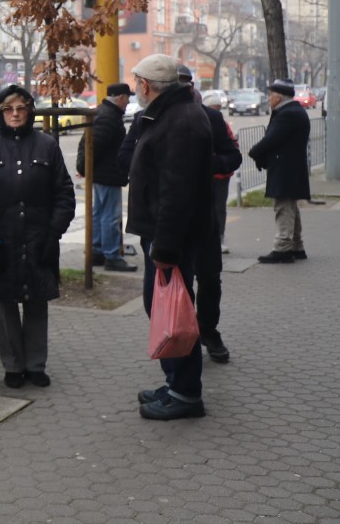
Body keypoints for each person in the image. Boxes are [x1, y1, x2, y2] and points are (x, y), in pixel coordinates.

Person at [126, 54, 216, 421]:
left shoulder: (179, 121)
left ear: (146, 85)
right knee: (164, 308)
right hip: (169, 235)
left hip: (171, 239)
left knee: (172, 313)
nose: (135, 89)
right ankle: (176, 382)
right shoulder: (174, 113)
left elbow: (175, 194)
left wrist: (164, 248)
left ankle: (185, 393)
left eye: (136, 83)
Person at [0, 84, 75, 389]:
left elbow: (65, 194)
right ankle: (13, 366)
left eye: (20, 108)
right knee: (5, 304)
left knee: (37, 302)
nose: (14, 114)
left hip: (39, 237)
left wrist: (52, 232)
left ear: (30, 111)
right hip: (1, 241)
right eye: (7, 109)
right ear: (0, 113)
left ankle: (36, 364)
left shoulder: (47, 145)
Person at [196, 91, 241, 363]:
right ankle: (180, 336)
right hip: (167, 219)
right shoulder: (150, 118)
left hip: (204, 218)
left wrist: (208, 165)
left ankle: (208, 331)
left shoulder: (211, 118)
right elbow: (129, 157)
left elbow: (232, 155)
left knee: (210, 279)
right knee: (170, 286)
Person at [248, 79, 311, 263]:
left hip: (286, 169)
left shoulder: (288, 114)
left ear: (279, 96)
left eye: (271, 95)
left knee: (283, 207)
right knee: (290, 207)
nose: (268, 98)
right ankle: (296, 246)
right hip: (290, 168)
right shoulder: (293, 111)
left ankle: (283, 248)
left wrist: (254, 152)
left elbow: (271, 139)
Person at [81, 83, 136, 272]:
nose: (129, 101)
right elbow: (93, 146)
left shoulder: (104, 113)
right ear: (120, 97)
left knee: (100, 213)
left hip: (102, 173)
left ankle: (97, 251)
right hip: (107, 174)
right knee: (110, 216)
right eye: (127, 97)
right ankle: (111, 255)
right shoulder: (109, 117)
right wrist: (86, 167)